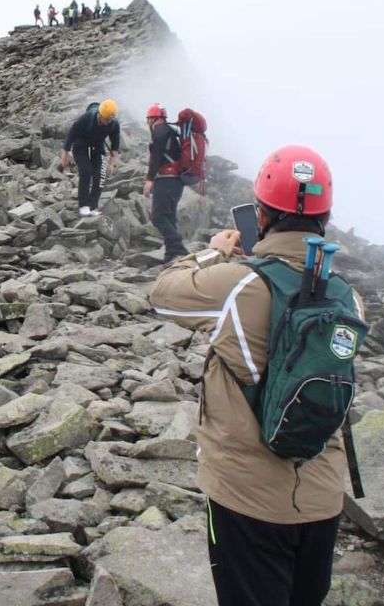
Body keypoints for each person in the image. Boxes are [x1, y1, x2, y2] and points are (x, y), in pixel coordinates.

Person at [149, 145, 363, 606]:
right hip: (323, 498)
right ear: (325, 217)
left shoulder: (240, 281)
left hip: (245, 499)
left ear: (261, 214)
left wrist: (212, 253)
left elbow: (162, 294)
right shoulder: (349, 299)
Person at [143, 103, 189, 262]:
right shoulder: (170, 131)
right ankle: (172, 253)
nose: (148, 122)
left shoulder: (159, 131)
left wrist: (149, 180)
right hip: (177, 181)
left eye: (148, 119)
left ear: (153, 118)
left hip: (168, 179)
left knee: (158, 217)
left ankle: (178, 248)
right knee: (168, 216)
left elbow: (156, 157)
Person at [60, 99, 121, 217]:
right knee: (86, 171)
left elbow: (115, 146)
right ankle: (83, 206)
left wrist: (111, 164)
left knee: (100, 176)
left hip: (97, 146)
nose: (108, 122)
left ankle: (93, 206)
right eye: (106, 119)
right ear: (100, 114)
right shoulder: (87, 118)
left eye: (110, 120)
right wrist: (64, 156)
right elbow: (71, 135)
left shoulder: (114, 124)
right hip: (80, 145)